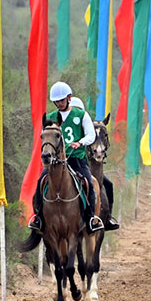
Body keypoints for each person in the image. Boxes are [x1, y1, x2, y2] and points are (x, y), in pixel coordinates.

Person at [29, 81, 116, 233]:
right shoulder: (50, 117)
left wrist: (80, 142)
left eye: (61, 100)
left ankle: (91, 219)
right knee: (40, 182)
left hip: (76, 159)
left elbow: (90, 135)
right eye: (56, 101)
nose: (59, 103)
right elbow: (46, 136)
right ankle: (38, 217)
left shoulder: (81, 115)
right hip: (56, 161)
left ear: (69, 98)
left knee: (89, 183)